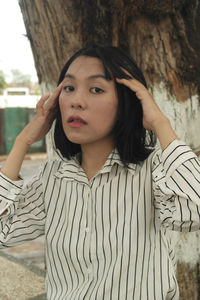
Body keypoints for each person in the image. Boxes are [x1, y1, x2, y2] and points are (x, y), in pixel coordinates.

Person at [0, 45, 200, 300]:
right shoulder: (51, 179)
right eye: (69, 88)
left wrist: (160, 123)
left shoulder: (153, 173)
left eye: (96, 89)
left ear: (127, 101)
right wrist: (23, 141)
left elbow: (195, 209)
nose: (76, 101)